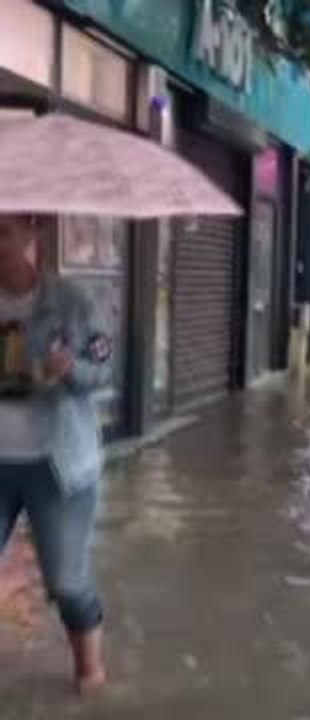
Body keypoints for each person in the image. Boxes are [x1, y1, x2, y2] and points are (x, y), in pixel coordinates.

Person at [0, 214, 111, 692]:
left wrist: (71, 369)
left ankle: (90, 673)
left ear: (32, 231)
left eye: (3, 231)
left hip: (59, 465)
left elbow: (103, 371)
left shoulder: (71, 301)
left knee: (66, 581)